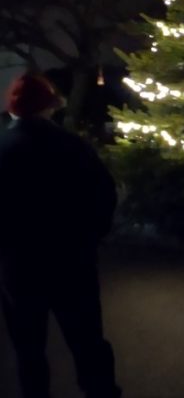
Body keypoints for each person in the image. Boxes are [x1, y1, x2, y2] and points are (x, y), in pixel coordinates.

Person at [0, 72, 121, 398]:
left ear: (13, 109)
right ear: (49, 107)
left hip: (19, 264)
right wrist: (92, 236)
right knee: (87, 342)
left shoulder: (3, 148)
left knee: (28, 348)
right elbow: (104, 193)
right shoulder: (73, 146)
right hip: (72, 259)